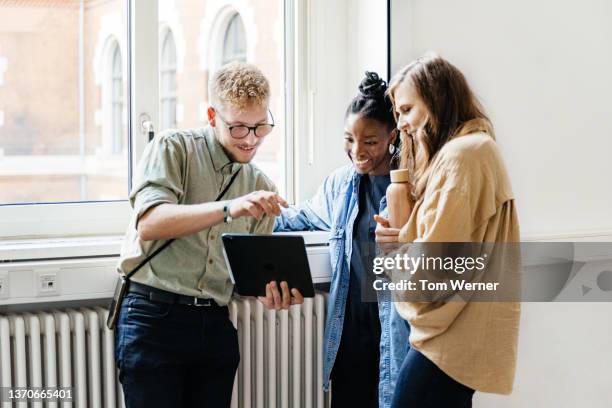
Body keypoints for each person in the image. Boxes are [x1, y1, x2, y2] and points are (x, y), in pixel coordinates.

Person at [114, 61, 303, 408]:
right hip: (154, 316)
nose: (251, 139)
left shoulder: (261, 185)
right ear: (213, 115)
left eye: (261, 127)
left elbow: (252, 279)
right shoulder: (174, 148)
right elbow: (149, 222)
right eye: (238, 128)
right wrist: (231, 207)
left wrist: (274, 293)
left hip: (215, 323)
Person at [375, 53, 521, 407]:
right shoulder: (474, 149)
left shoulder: (462, 156)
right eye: (398, 113)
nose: (403, 124)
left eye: (408, 110)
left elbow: (432, 269)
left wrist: (397, 258)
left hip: (448, 342)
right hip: (458, 335)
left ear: (437, 98)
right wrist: (404, 235)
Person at [274, 72, 410, 408]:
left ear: (392, 136)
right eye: (349, 139)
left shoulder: (410, 187)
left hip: (393, 334)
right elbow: (301, 217)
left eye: (370, 141)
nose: (356, 150)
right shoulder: (341, 184)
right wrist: (249, 211)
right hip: (349, 334)